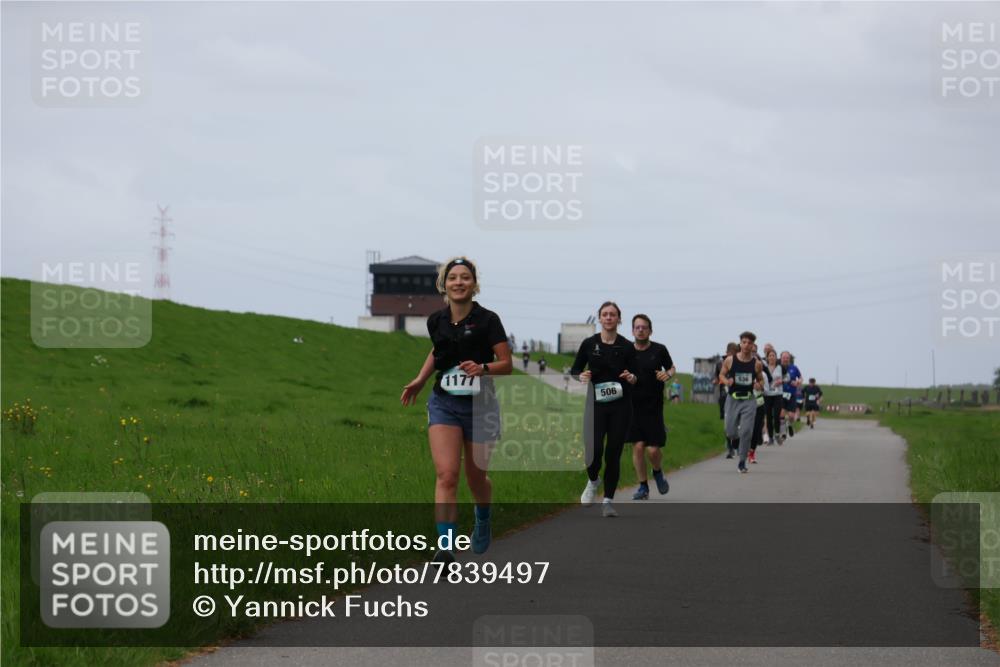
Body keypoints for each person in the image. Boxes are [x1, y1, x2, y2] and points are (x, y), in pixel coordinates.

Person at [401, 257, 512, 563]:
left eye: (465, 277)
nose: (459, 282)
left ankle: (483, 516)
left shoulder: (488, 320)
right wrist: (421, 379)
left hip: (481, 405)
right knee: (447, 475)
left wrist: (483, 367)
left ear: (474, 285)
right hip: (444, 402)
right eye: (453, 278)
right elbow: (438, 351)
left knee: (476, 479)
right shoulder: (436, 320)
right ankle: (446, 547)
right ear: (444, 284)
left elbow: (507, 364)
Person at [571, 301, 638, 517]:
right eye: (605, 314)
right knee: (593, 450)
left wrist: (632, 377)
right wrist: (580, 376)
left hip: (621, 407)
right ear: (599, 318)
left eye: (613, 315)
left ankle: (608, 500)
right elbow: (575, 370)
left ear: (619, 319)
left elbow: (637, 376)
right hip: (595, 405)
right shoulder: (589, 343)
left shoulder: (627, 346)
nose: (609, 318)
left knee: (613, 453)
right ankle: (593, 480)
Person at [626, 314, 675, 500]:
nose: (640, 330)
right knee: (638, 447)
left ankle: (657, 472)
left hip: (654, 407)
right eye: (637, 327)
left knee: (653, 450)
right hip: (632, 406)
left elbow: (671, 368)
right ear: (632, 331)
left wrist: (667, 374)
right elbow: (620, 372)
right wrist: (627, 377)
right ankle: (643, 487)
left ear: (650, 330)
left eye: (644, 327)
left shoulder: (659, 349)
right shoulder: (626, 351)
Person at [718, 331, 766, 473]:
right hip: (732, 399)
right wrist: (727, 381)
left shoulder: (756, 364)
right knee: (730, 430)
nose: (746, 345)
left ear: (753, 346)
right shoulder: (730, 360)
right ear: (740, 344)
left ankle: (742, 461)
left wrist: (759, 385)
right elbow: (721, 374)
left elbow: (761, 379)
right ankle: (735, 441)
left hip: (748, 400)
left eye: (749, 343)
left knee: (746, 431)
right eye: (744, 342)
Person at [715, 343, 739, 456]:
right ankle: (730, 448)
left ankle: (737, 445)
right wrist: (718, 381)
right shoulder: (720, 363)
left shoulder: (740, 363)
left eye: (733, 353)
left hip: (738, 397)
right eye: (730, 353)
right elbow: (717, 376)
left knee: (738, 422)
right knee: (727, 422)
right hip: (724, 396)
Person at [763, 349, 785, 444]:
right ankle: (770, 437)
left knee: (776, 415)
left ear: (776, 358)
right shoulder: (764, 368)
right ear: (767, 357)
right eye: (770, 356)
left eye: (773, 356)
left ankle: (777, 434)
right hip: (767, 394)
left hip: (778, 394)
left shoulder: (780, 367)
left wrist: (781, 381)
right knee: (768, 416)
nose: (772, 357)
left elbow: (787, 377)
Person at [780, 351, 802, 439]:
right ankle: (783, 433)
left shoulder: (794, 368)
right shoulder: (778, 368)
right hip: (781, 394)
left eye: (787, 358)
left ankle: (789, 425)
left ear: (789, 359)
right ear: (781, 358)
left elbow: (800, 377)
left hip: (792, 394)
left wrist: (798, 381)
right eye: (784, 357)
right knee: (781, 414)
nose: (785, 359)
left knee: (791, 416)